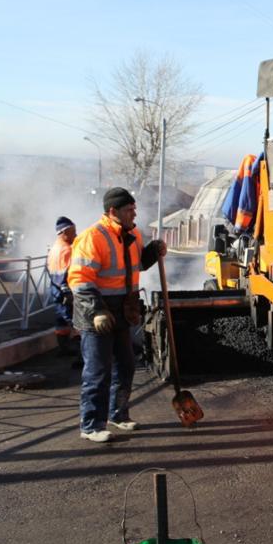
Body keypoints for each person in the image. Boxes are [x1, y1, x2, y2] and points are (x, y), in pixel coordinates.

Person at [68, 187, 165, 443]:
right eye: (129, 209)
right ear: (113, 211)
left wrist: (153, 252)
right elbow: (80, 279)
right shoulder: (92, 237)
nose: (134, 213)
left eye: (134, 208)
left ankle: (118, 414)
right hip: (96, 313)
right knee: (98, 371)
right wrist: (97, 311)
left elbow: (137, 264)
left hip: (123, 310)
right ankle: (91, 425)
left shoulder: (132, 234)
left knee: (126, 366)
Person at [47, 216, 78, 356]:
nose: (75, 235)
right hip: (64, 292)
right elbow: (63, 274)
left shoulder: (55, 248)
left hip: (55, 290)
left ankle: (63, 349)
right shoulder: (66, 250)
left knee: (61, 321)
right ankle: (81, 356)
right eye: (73, 232)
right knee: (75, 322)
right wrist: (67, 292)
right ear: (64, 232)